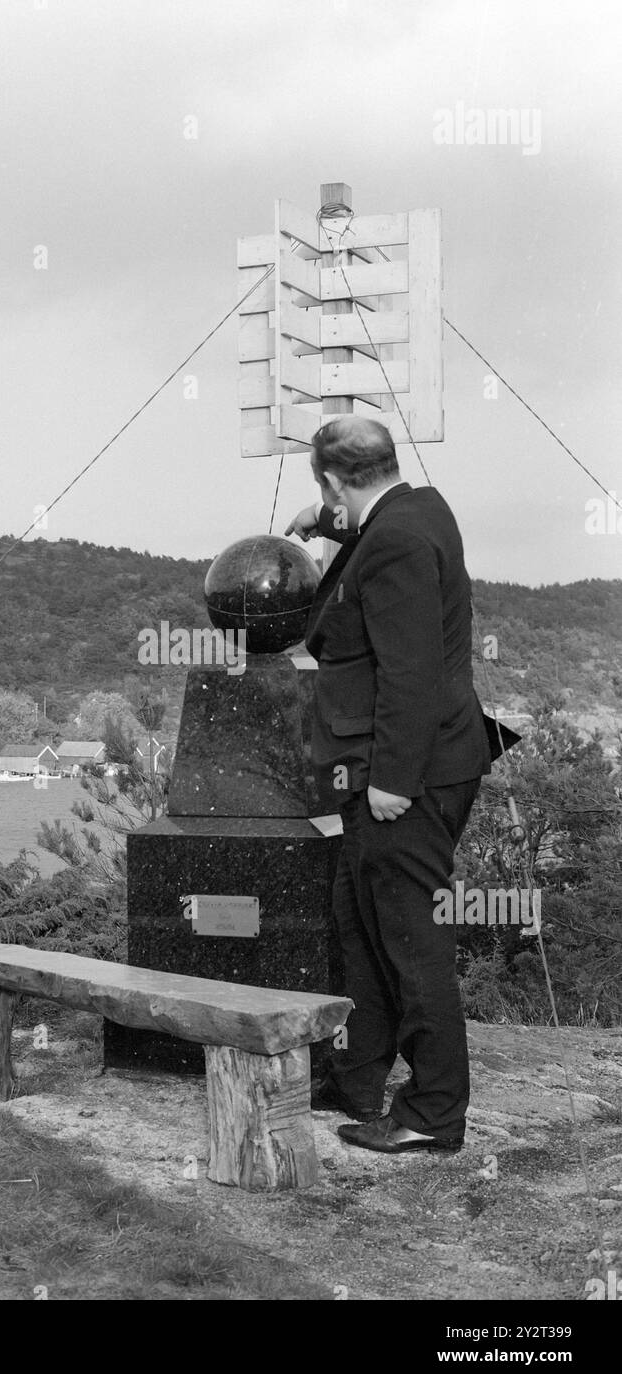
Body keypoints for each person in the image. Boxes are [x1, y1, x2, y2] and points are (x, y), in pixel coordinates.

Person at [286, 416, 494, 1154]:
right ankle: (357, 1079)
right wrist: (324, 519)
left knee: (407, 937)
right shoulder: (417, 509)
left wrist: (390, 783)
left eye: (325, 493)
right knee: (358, 919)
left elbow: (410, 673)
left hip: (406, 772)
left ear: (337, 479)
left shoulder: (399, 539)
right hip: (405, 763)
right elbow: (373, 545)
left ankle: (432, 1114)